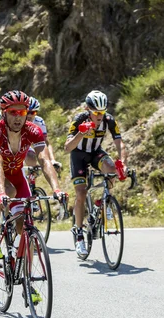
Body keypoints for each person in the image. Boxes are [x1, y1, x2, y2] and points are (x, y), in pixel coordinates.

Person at [0, 90, 65, 261]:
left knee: (25, 225)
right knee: (9, 191)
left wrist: (57, 189)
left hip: (17, 173)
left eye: (23, 112)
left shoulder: (33, 130)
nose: (18, 117)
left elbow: (44, 160)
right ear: (4, 113)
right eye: (13, 112)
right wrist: (1, 193)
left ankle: (29, 281)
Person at [64, 90, 127, 256]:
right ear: (88, 109)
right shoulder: (79, 119)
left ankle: (104, 201)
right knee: (81, 193)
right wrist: (80, 133)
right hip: (78, 155)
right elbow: (67, 147)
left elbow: (120, 143)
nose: (99, 116)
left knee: (112, 169)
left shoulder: (108, 120)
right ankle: (78, 234)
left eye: (102, 111)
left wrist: (123, 163)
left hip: (95, 153)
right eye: (96, 112)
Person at [24, 97, 61, 171]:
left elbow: (46, 142)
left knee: (32, 159)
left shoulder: (39, 121)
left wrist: (52, 160)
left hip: (25, 146)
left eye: (33, 112)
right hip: (12, 145)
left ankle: (31, 179)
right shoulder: (16, 120)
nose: (29, 115)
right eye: (27, 112)